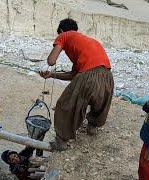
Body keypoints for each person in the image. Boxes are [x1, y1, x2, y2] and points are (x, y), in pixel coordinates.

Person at [39, 18, 114, 151]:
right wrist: (52, 75)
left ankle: (61, 141)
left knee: (66, 104)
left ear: (61, 31)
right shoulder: (87, 42)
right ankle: (92, 127)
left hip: (88, 75)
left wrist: (48, 68)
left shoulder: (64, 35)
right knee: (100, 103)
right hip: (107, 76)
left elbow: (51, 61)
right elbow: (74, 75)